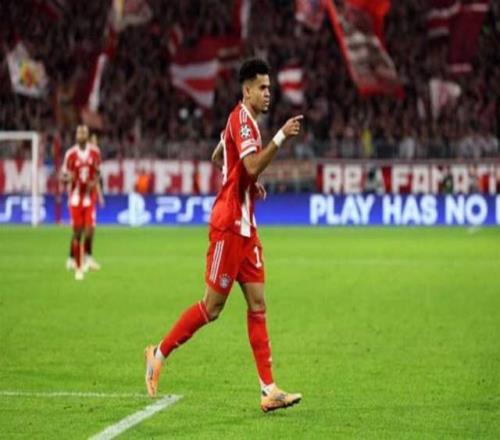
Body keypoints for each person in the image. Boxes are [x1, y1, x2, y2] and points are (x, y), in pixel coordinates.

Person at [144, 58, 303, 412]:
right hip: (229, 225)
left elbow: (219, 156)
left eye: (269, 87)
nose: (268, 93)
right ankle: (158, 353)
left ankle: (268, 390)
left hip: (246, 228)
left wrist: (246, 184)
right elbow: (249, 164)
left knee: (258, 304)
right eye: (262, 88)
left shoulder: (242, 122)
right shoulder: (242, 120)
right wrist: (280, 136)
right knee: (212, 308)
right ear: (247, 91)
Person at [61, 125, 102, 280]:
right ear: (76, 135)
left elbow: (98, 173)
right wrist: (68, 178)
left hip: (89, 198)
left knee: (90, 230)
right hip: (75, 197)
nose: (81, 135)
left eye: (83, 132)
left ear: (87, 135)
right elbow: (62, 176)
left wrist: (94, 183)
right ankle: (73, 259)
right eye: (79, 132)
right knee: (77, 232)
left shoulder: (95, 153)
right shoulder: (70, 154)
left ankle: (86, 259)